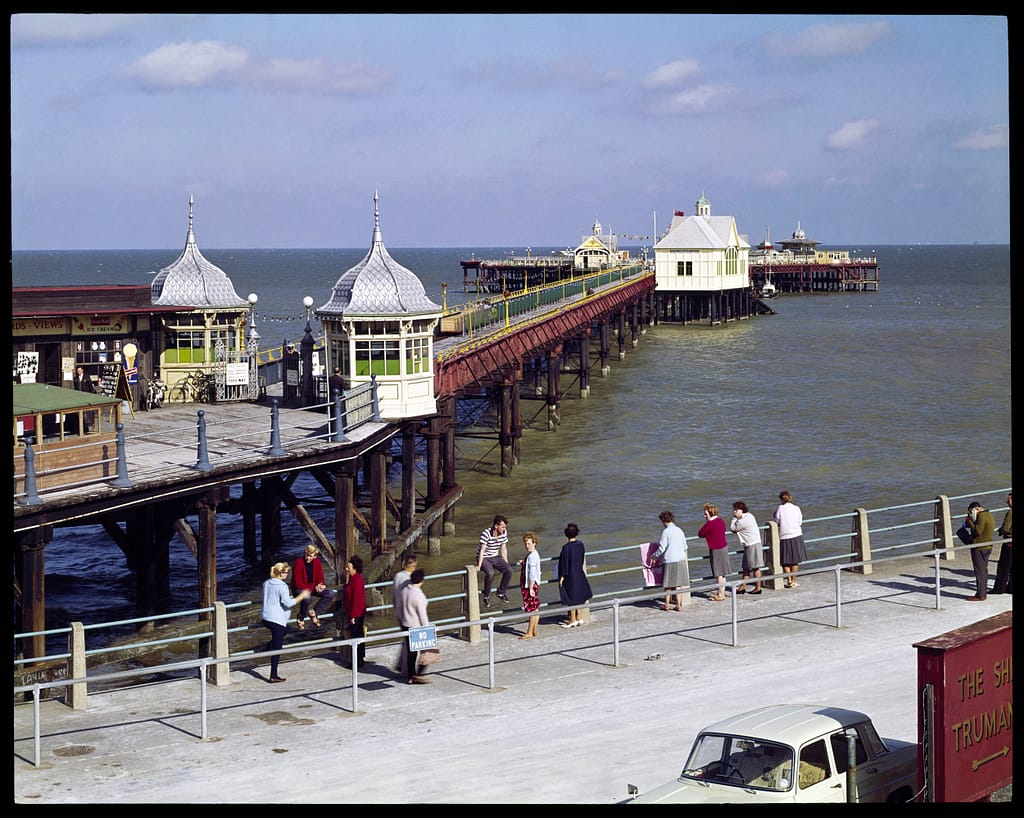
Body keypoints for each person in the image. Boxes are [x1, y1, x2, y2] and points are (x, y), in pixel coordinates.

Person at [261, 561, 311, 683]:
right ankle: (273, 675)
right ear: (280, 573)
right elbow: (288, 603)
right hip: (277, 620)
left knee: (287, 629)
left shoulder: (266, 583)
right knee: (277, 649)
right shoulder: (282, 586)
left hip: (266, 617)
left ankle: (267, 647)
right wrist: (302, 596)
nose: (287, 575)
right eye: (286, 572)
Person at [291, 544, 337, 630]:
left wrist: (321, 585)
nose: (307, 558)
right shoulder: (298, 563)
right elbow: (298, 584)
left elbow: (320, 577)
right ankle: (301, 616)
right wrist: (314, 588)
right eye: (306, 555)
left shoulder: (317, 562)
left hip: (312, 587)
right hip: (298, 589)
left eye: (310, 556)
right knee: (307, 598)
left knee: (329, 594)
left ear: (315, 556)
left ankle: (314, 612)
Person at [650, 510, 689, 611]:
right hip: (680, 559)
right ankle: (679, 605)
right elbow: (685, 546)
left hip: (670, 560)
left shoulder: (666, 532)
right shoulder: (680, 530)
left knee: (668, 584)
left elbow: (662, 548)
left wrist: (654, 556)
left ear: (663, 520)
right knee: (678, 585)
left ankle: (666, 604)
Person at [399, 568, 431, 684]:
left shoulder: (404, 591)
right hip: (416, 626)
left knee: (411, 653)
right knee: (427, 651)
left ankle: (410, 676)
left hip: (405, 624)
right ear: (422, 581)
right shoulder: (419, 596)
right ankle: (419, 674)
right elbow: (422, 616)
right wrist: (427, 628)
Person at [557, 522, 592, 628]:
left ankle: (572, 619)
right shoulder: (580, 545)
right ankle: (579, 617)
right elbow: (581, 559)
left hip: (570, 575)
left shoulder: (566, 548)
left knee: (570, 597)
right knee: (579, 596)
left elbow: (564, 563)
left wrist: (562, 577)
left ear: (566, 534)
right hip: (579, 572)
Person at [477, 514, 514, 607]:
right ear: (496, 526)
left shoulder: (504, 532)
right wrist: (479, 565)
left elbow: (503, 549)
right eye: (502, 527)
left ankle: (501, 592)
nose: (503, 529)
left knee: (509, 570)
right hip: (484, 557)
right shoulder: (486, 533)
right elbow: (482, 550)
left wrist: (506, 562)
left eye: (505, 527)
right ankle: (486, 596)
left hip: (495, 556)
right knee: (490, 573)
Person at [392, 552, 418, 671]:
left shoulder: (398, 576)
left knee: (406, 640)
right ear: (413, 565)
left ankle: (401, 664)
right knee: (411, 644)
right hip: (409, 615)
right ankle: (407, 670)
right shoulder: (410, 579)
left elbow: (394, 595)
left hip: (399, 612)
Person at [699, 503, 731, 601]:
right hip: (724, 548)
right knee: (723, 573)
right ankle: (722, 592)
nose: (704, 516)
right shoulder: (720, 521)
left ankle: (720, 595)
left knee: (718, 573)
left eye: (706, 514)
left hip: (716, 550)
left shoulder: (710, 523)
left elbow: (700, 533)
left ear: (710, 513)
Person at [775, 490, 806, 589]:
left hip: (784, 536)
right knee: (795, 560)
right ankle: (794, 580)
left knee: (785, 560)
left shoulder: (780, 508)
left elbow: (777, 521)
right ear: (790, 498)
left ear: (781, 500)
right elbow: (800, 521)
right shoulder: (796, 508)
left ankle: (788, 580)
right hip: (796, 535)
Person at [731, 501, 763, 595]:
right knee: (746, 567)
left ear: (741, 510)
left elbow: (733, 528)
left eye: (736, 510)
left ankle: (758, 588)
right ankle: (743, 587)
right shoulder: (750, 515)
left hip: (752, 544)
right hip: (751, 544)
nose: (734, 512)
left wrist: (734, 519)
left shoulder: (743, 521)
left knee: (755, 568)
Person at [965, 500, 995, 601]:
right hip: (987, 546)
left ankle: (981, 594)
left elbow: (977, 531)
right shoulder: (989, 514)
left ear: (976, 509)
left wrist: (970, 521)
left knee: (980, 571)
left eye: (970, 512)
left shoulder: (981, 516)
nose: (970, 514)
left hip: (979, 548)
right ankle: (982, 592)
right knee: (983, 570)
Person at [343, 555, 367, 666]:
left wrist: (352, 616)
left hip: (356, 613)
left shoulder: (356, 580)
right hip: (356, 612)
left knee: (356, 637)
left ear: (354, 568)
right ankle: (359, 659)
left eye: (349, 567)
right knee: (358, 636)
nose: (346, 569)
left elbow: (357, 599)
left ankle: (357, 661)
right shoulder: (353, 579)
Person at [519, 531, 542, 639]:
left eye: (528, 543)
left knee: (532, 608)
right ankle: (534, 630)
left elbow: (532, 572)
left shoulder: (532, 556)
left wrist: (531, 587)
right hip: (534, 584)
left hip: (530, 585)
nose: (526, 546)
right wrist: (523, 562)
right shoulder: (533, 554)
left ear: (534, 543)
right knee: (535, 608)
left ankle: (529, 632)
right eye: (525, 543)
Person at [992, 492, 1012, 595]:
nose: (1007, 502)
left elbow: (1006, 528)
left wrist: (1002, 531)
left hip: (1008, 543)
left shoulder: (1010, 512)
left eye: (1008, 499)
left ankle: (999, 589)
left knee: (1003, 567)